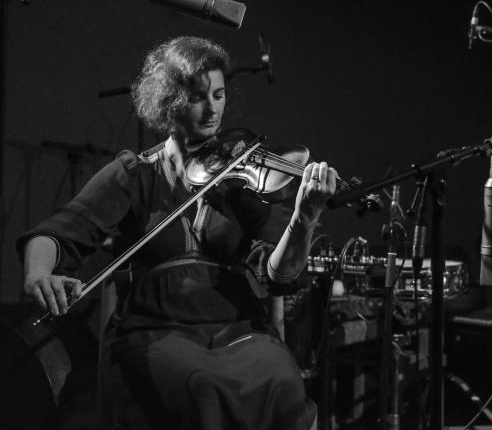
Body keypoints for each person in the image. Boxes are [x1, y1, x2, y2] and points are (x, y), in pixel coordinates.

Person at [19, 36, 331, 429]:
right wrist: (38, 273)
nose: (213, 108)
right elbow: (61, 231)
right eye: (199, 96)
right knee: (199, 384)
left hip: (236, 327)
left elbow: (279, 275)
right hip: (157, 330)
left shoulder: (242, 174)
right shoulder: (137, 173)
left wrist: (303, 219)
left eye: (218, 95)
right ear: (169, 100)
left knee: (282, 381)